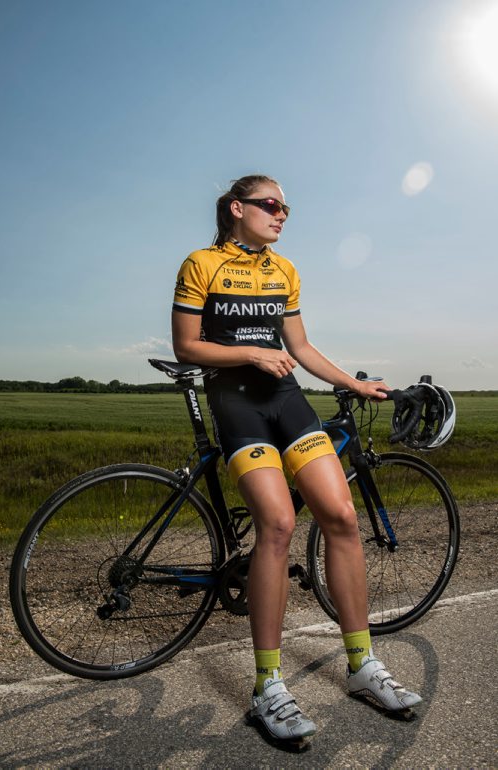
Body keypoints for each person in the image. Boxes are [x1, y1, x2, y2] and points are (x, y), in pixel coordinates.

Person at [172, 174, 421, 745]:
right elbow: (188, 345)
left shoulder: (283, 270)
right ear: (238, 208)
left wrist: (355, 385)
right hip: (236, 402)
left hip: (286, 401)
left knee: (341, 516)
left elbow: (302, 348)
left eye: (287, 208)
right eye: (272, 205)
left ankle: (362, 666)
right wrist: (254, 353)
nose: (283, 214)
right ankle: (267, 688)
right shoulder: (200, 263)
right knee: (279, 523)